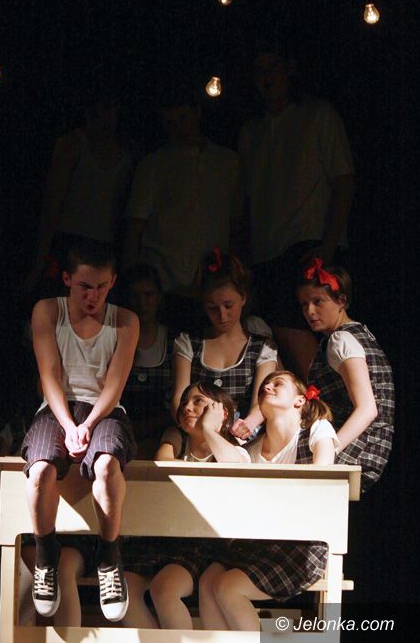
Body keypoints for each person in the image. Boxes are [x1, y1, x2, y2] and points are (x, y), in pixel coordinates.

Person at [20, 240, 139, 621]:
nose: (93, 296)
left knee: (106, 464)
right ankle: (46, 555)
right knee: (40, 468)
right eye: (85, 286)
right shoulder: (48, 310)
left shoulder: (126, 320)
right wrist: (69, 425)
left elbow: (115, 384)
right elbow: (49, 373)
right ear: (68, 279)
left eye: (102, 286)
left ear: (112, 282)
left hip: (105, 410)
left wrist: (87, 425)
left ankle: (109, 557)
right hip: (57, 408)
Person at [238, 46, 354, 380]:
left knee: (309, 328)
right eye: (259, 71)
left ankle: (332, 403)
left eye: (273, 67)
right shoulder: (252, 131)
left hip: (308, 242)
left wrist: (328, 244)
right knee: (275, 334)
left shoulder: (317, 115)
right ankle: (313, 403)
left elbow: (344, 180)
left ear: (289, 69)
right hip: (266, 250)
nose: (266, 78)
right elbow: (245, 199)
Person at [199, 370, 338, 631]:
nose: (268, 387)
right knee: (207, 583)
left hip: (301, 545)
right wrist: (208, 429)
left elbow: (322, 480)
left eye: (278, 384)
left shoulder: (316, 430)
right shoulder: (253, 449)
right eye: (265, 384)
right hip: (258, 542)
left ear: (299, 400)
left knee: (228, 587)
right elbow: (232, 463)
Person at [122, 382, 249, 630]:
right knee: (124, 588)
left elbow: (236, 467)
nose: (187, 407)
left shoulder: (234, 450)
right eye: (184, 403)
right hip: (162, 535)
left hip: (203, 542)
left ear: (221, 412)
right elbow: (164, 464)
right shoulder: (176, 438)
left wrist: (209, 429)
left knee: (164, 589)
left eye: (198, 401)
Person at [123, 88, 242, 329]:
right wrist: (131, 280)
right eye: (170, 122)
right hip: (164, 283)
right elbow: (135, 227)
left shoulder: (227, 162)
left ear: (197, 113)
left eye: (183, 118)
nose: (178, 128)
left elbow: (237, 222)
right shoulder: (154, 164)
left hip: (212, 283)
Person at [296, 258, 394, 493]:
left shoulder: (340, 340)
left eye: (318, 302)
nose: (310, 311)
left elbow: (368, 408)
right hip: (371, 446)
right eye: (304, 304)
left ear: (341, 301)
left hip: (358, 447)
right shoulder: (360, 333)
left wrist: (331, 450)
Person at [25, 92, 134, 294]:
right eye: (97, 112)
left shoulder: (127, 152)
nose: (105, 118)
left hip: (103, 249)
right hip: (69, 245)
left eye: (108, 109)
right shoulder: (73, 145)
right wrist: (40, 260)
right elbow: (52, 205)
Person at [172, 249, 278, 439]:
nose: (222, 315)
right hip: (196, 434)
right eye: (212, 308)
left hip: (240, 437)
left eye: (228, 305)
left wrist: (247, 425)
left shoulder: (261, 347)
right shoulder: (189, 343)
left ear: (243, 298)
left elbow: (260, 405)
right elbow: (179, 398)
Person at [120, 263, 175, 458]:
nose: (142, 303)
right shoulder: (115, 339)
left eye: (148, 295)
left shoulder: (174, 341)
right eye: (135, 296)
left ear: (159, 297)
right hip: (121, 427)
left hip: (162, 431)